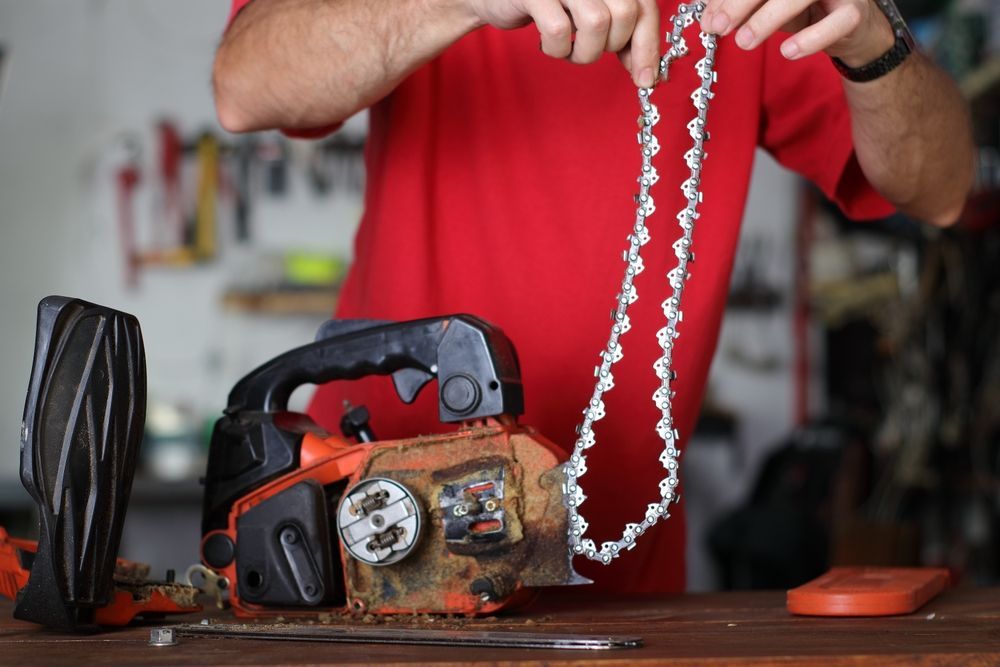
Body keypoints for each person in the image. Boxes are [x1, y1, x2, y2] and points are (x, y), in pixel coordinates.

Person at [212, 0, 973, 593]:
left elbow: (941, 188)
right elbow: (244, 87)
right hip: (373, 543)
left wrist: (878, 40)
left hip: (617, 583)